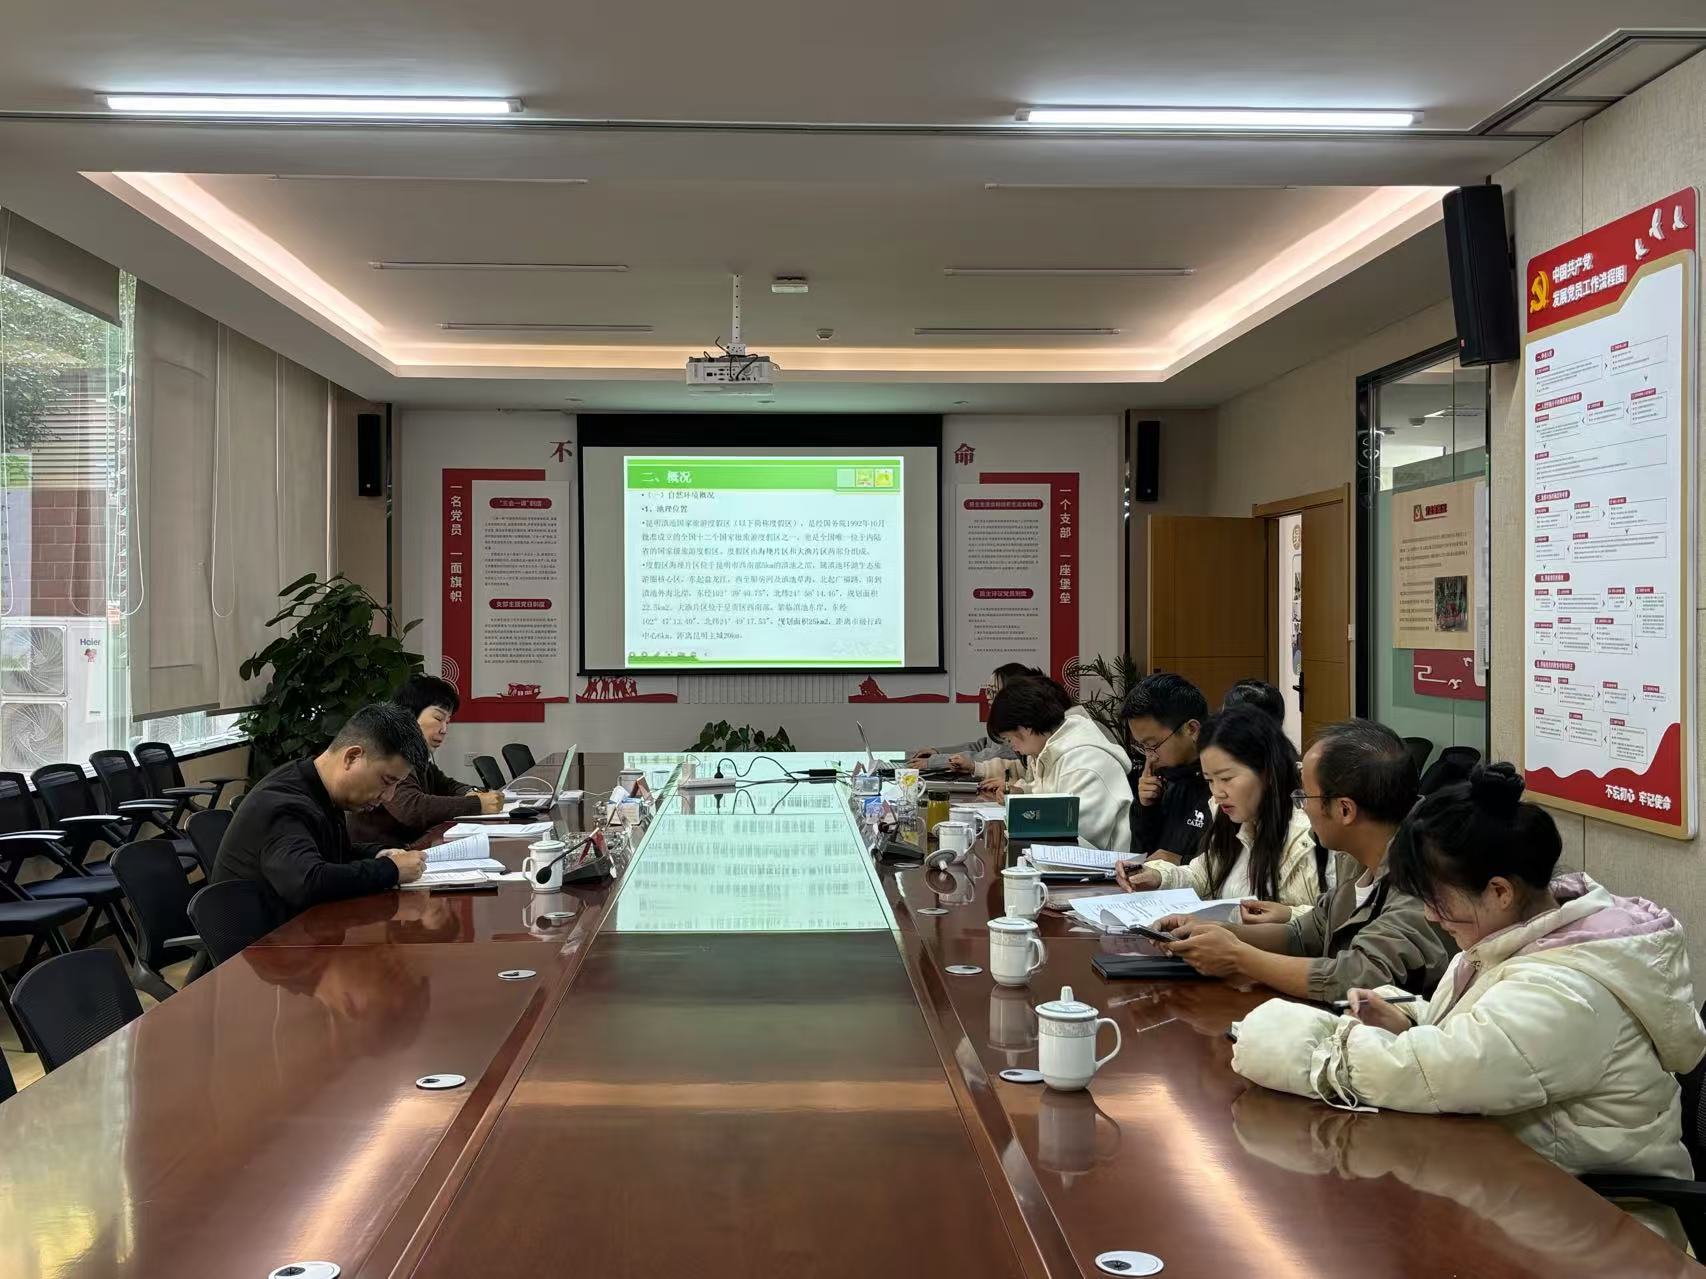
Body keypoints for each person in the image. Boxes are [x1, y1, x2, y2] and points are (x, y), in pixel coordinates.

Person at [1231, 764, 1706, 1246]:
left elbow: (1425, 1070)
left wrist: (1274, 1037)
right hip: (1526, 1192)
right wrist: (1408, 1018)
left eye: (1437, 901)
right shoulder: (1515, 936)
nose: (1432, 916)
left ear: (1499, 891)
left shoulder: (1565, 991)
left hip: (1600, 1227)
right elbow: (1482, 1036)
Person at [1153, 719, 1454, 1000]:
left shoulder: (1422, 881)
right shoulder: (1358, 861)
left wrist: (1237, 957)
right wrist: (1215, 931)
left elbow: (1355, 977)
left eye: (1305, 797)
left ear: (1344, 810)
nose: (1303, 808)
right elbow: (1304, 934)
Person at [212, 703, 428, 924]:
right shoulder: (283, 804)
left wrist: (379, 854)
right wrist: (390, 870)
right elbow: (307, 882)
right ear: (352, 757)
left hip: (302, 929)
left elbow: (329, 853)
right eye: (387, 781)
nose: (389, 796)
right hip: (264, 941)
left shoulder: (314, 784)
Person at [1118, 706, 1323, 912]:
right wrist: (1158, 876)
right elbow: (1203, 876)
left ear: (1267, 772)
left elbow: (1327, 919)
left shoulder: (1309, 833)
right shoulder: (1229, 815)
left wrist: (1287, 916)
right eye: (1209, 780)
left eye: (1226, 779)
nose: (1217, 793)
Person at [348, 673, 504, 846]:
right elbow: (412, 808)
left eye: (447, 722)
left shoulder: (418, 757)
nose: (444, 729)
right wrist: (477, 804)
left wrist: (472, 792)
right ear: (409, 716)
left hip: (411, 848)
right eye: (438, 718)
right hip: (379, 853)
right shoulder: (391, 754)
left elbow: (448, 785)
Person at [983, 678, 1132, 852]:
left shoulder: (1084, 760)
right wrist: (1023, 792)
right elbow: (1050, 795)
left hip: (1104, 864)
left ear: (1026, 728)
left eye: (1009, 739)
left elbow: (1078, 833)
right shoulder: (1050, 750)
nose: (1012, 747)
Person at [1118, 672, 1211, 867]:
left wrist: (1182, 863)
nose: (1150, 756)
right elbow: (1142, 856)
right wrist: (1145, 808)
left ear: (1192, 729)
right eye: (1143, 747)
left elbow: (1236, 864)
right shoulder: (1163, 778)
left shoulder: (1224, 782)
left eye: (1153, 745)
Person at [907, 662, 1038, 774]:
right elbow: (981, 746)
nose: (988, 696)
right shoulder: (1005, 722)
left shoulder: (1019, 727)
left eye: (993, 691)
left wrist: (933, 762)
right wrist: (937, 752)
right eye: (987, 690)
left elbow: (990, 757)